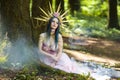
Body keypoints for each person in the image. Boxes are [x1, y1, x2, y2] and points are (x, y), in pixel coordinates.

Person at [36, 4, 120, 80]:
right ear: (49, 23)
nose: (54, 24)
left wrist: (55, 60)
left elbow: (60, 50)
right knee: (54, 69)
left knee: (67, 66)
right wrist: (51, 56)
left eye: (57, 23)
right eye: (53, 22)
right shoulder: (42, 36)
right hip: (46, 58)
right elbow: (40, 50)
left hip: (58, 57)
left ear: (58, 25)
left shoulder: (59, 37)